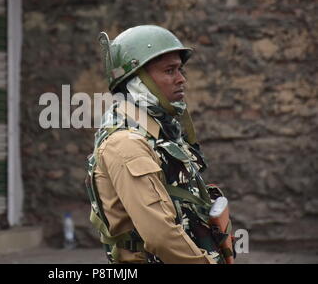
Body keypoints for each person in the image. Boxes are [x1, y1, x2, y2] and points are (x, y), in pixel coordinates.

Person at [86, 25, 234, 264]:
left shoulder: (157, 131)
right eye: (169, 71)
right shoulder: (126, 143)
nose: (181, 79)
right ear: (137, 80)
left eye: (180, 69)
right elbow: (161, 237)